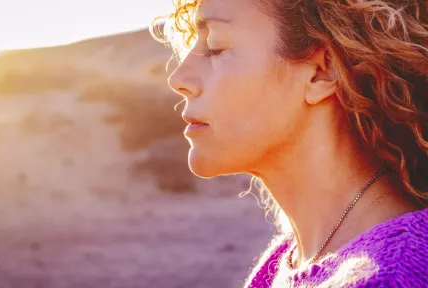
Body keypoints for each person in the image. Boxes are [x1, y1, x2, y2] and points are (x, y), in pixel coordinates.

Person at [151, 0, 428, 287]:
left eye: (215, 47)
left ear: (321, 72)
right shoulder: (283, 263)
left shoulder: (393, 275)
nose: (177, 78)